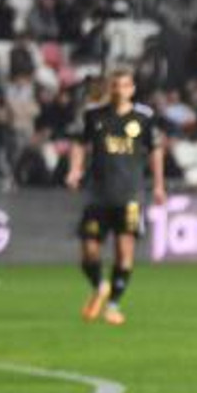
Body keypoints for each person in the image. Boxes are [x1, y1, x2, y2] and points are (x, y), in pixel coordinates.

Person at [66, 67, 166, 326]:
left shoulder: (144, 117)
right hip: (98, 195)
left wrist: (158, 185)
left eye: (124, 85)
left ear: (132, 89)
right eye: (114, 85)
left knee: (124, 251)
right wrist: (75, 170)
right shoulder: (94, 116)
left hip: (129, 194)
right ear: (109, 88)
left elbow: (155, 151)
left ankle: (113, 305)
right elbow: (78, 143)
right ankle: (100, 286)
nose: (118, 90)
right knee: (89, 251)